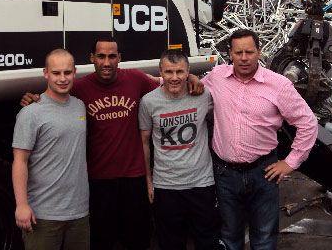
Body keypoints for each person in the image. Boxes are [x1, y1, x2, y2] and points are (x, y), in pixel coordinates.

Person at [20, 37, 204, 250]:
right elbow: (54, 95)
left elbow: (166, 80)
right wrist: (33, 99)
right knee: (101, 240)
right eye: (101, 56)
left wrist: (191, 76)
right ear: (92, 58)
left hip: (133, 179)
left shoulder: (135, 79)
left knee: (139, 239)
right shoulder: (79, 88)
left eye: (111, 56)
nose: (106, 62)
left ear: (119, 59)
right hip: (98, 181)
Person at [201, 29, 318, 250]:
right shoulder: (217, 77)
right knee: (229, 236)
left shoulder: (279, 85)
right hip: (225, 174)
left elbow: (307, 123)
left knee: (264, 237)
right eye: (238, 53)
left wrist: (290, 162)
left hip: (263, 172)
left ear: (259, 52)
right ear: (230, 54)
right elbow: (192, 88)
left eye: (249, 52)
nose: (244, 58)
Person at [138, 49, 221, 250]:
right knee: (171, 243)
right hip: (167, 186)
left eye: (180, 72)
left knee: (207, 241)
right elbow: (144, 142)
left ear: (188, 72)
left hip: (201, 184)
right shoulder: (149, 102)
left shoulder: (202, 95)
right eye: (168, 72)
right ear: (160, 72)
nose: (174, 78)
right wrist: (148, 181)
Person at [12, 48, 90, 250]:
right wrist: (21, 205)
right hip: (43, 215)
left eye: (67, 72)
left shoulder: (80, 106)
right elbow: (19, 161)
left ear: (75, 72)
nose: (62, 79)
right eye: (56, 73)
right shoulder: (30, 113)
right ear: (46, 73)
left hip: (79, 214)